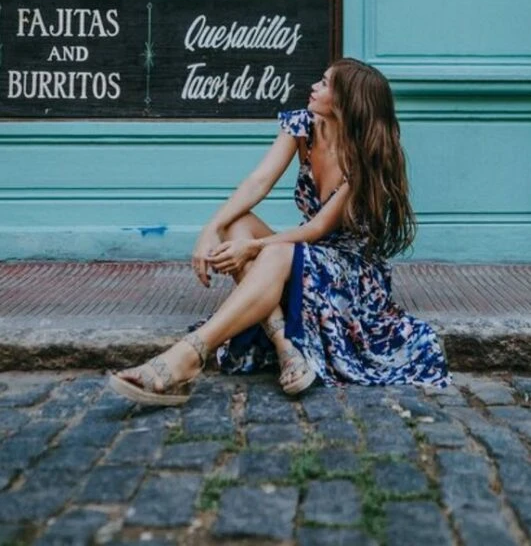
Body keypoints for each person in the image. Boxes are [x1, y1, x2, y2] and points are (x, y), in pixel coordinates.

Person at [109, 58, 450, 405]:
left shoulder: (364, 156)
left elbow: (317, 229)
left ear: (347, 100)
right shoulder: (302, 127)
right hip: (300, 256)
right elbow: (258, 182)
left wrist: (253, 248)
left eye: (326, 83)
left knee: (270, 250)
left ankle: (187, 356)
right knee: (236, 223)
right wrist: (211, 228)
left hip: (347, 273)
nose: (314, 87)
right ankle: (287, 348)